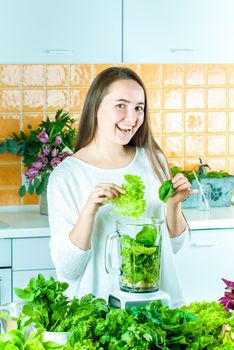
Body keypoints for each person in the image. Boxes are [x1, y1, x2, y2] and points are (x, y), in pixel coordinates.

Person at [47, 66, 193, 307]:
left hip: (155, 310)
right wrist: (90, 209)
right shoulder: (67, 175)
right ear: (96, 107)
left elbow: (173, 247)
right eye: (121, 105)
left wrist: (173, 206)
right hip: (97, 315)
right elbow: (67, 269)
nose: (132, 117)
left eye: (139, 108)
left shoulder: (154, 160)